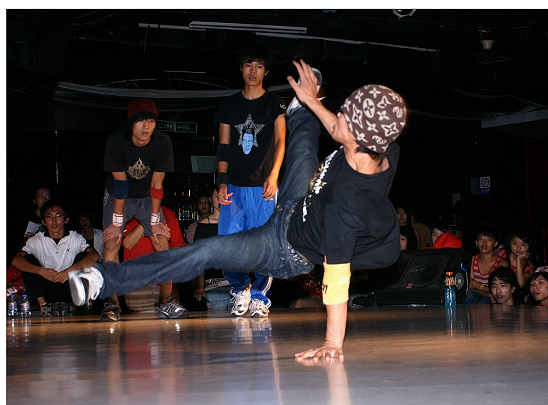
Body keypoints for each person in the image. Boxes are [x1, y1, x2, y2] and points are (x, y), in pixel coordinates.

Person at [68, 59, 408, 361]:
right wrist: (311, 101)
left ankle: (102, 279)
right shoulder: (382, 148)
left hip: (285, 247)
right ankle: (302, 106)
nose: (337, 118)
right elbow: (336, 128)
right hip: (299, 202)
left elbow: (337, 278)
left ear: (357, 138)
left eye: (344, 117)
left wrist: (333, 342)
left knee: (209, 250)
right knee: (304, 140)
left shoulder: (345, 207)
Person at [214, 43, 286, 318]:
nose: (253, 71)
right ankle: (240, 288)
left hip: (263, 186)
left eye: (258, 66)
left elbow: (280, 142)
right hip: (233, 185)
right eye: (248, 65)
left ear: (266, 71)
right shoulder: (229, 104)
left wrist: (274, 175)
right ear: (241, 69)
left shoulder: (275, 103)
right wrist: (221, 181)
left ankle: (259, 296)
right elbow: (223, 147)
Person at [99, 97, 174, 321]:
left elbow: (157, 184)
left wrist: (154, 220)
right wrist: (116, 222)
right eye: (141, 121)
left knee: (161, 240)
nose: (146, 126)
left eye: (151, 121)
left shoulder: (162, 142)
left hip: (147, 195)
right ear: (131, 123)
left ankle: (167, 301)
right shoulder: (116, 141)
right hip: (117, 194)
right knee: (111, 241)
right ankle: (112, 303)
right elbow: (121, 185)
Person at [12, 200, 100, 315]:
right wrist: (42, 271)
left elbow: (95, 255)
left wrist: (69, 271)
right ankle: (43, 306)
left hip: (68, 286)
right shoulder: (36, 240)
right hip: (46, 287)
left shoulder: (75, 238)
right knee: (27, 261)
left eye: (58, 216)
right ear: (43, 222)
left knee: (85, 258)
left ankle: (74, 306)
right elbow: (16, 261)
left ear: (66, 220)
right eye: (49, 217)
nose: (54, 221)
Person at [121, 205, 188, 320]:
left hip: (165, 284)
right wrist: (146, 220)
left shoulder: (168, 213)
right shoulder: (131, 213)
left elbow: (177, 246)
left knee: (170, 325)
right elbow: (128, 243)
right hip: (138, 283)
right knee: (144, 323)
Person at [468, 224, 509, 303]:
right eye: (481, 239)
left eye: (489, 240)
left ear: (495, 243)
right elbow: (470, 286)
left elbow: (500, 289)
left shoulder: (501, 263)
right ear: (476, 242)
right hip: (476, 296)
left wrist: (476, 284)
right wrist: (487, 293)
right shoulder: (472, 260)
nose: (484, 243)